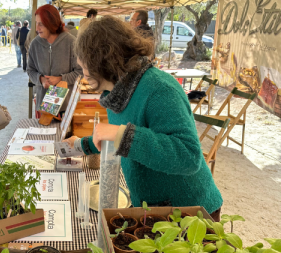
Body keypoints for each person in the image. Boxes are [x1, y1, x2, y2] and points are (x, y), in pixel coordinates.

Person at [65, 16, 223, 221]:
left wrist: (121, 135)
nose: (81, 69)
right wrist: (79, 145)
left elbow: (188, 156)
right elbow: (118, 138)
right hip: (156, 210)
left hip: (191, 213)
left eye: (84, 64)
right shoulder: (117, 91)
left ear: (103, 61)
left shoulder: (159, 89)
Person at [27, 5, 82, 113]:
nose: (37, 29)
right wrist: (41, 79)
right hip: (43, 108)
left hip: (67, 107)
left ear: (52, 23)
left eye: (41, 24)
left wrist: (60, 79)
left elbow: (80, 72)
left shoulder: (71, 42)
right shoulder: (34, 44)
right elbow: (30, 70)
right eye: (36, 23)